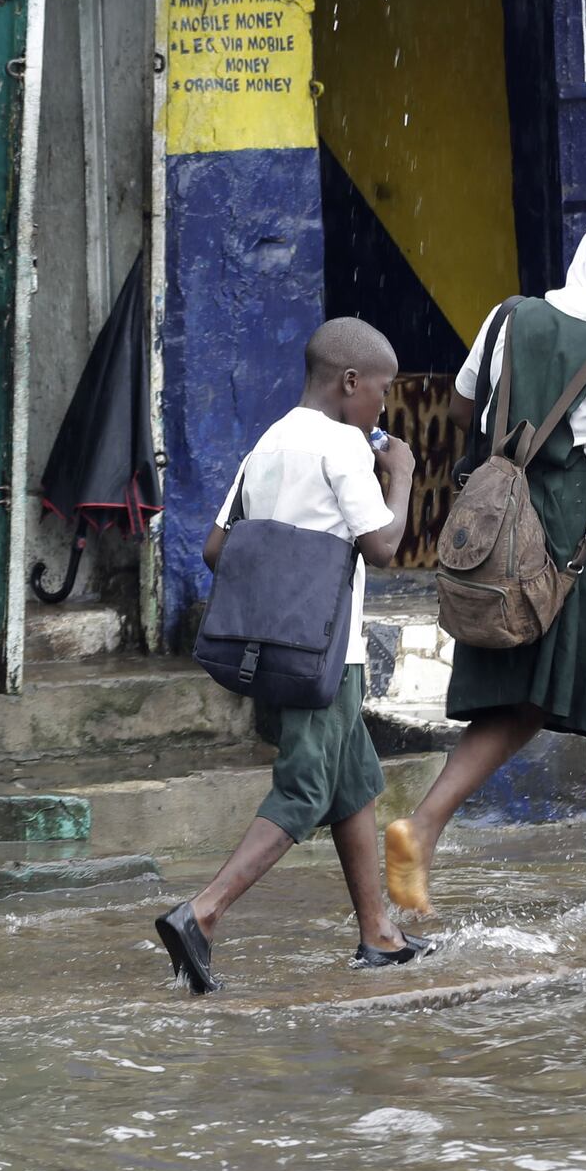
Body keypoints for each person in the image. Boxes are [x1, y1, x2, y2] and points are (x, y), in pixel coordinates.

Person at [386, 215, 586, 913]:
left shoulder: (510, 315)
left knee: (519, 700)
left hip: (500, 537)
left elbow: (461, 407)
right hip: (584, 548)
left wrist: (521, 449)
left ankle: (421, 828)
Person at [153, 319, 432, 994]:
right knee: (306, 786)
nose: (385, 409)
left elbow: (219, 549)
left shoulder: (270, 440)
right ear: (350, 382)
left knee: (353, 782)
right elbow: (382, 545)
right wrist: (401, 477)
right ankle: (204, 912)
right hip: (328, 648)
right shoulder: (343, 446)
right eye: (383, 392)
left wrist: (285, 552)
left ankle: (379, 933)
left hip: (280, 645)